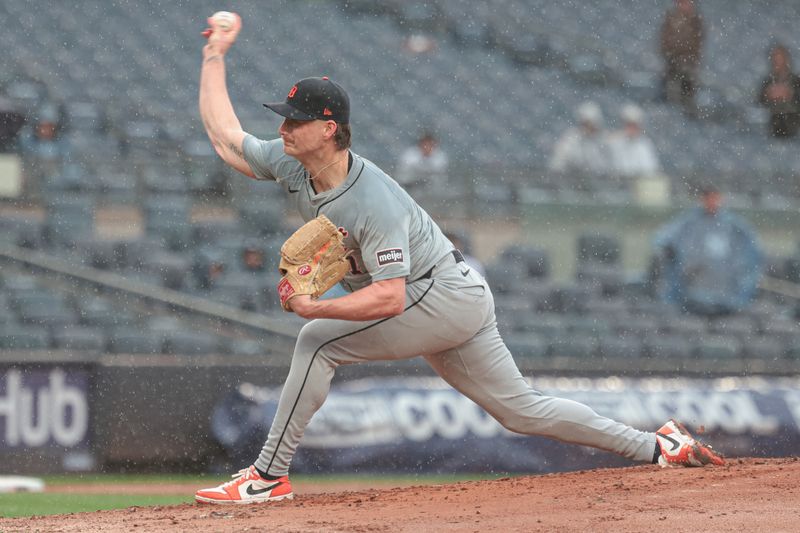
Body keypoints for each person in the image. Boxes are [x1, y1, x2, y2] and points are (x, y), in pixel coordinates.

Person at [194, 12, 724, 505]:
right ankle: (660, 447)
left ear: (329, 129)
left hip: (437, 293)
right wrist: (215, 54)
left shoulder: (369, 198)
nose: (283, 128)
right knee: (522, 410)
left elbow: (389, 295)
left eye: (295, 120)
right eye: (284, 120)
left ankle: (267, 477)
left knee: (317, 342)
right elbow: (225, 139)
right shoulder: (294, 165)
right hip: (452, 294)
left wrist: (316, 308)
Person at [652, 184, 763, 317]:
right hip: (691, 296)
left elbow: (751, 254)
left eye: (715, 198)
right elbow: (663, 240)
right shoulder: (687, 224)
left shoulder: (734, 226)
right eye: (708, 198)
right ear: (702, 199)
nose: (712, 202)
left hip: (727, 296)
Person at [659, 0, 704, 113]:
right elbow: (665, 42)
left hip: (688, 65)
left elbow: (696, 44)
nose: (683, 5)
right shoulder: (671, 19)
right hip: (673, 64)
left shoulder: (695, 21)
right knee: (670, 94)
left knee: (687, 95)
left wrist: (687, 58)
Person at [548, 101, 611, 177]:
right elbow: (557, 164)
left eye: (590, 123)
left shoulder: (605, 139)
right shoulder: (570, 138)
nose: (588, 127)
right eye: (585, 123)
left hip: (600, 182)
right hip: (573, 181)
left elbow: (611, 166)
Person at [608, 103, 662, 178]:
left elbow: (650, 170)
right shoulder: (615, 142)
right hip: (617, 183)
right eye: (629, 125)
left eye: (634, 125)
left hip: (638, 184)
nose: (632, 129)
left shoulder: (644, 146)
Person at [759, 44, 800, 138]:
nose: (778, 62)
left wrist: (790, 95)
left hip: (793, 127)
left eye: (780, 58)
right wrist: (768, 95)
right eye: (775, 59)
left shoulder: (795, 81)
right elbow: (759, 104)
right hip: (772, 129)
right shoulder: (768, 82)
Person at [394, 130, 449, 195]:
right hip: (411, 185)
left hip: (430, 187)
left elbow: (441, 176)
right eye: (425, 144)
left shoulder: (440, 157)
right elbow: (402, 173)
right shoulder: (410, 155)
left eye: (430, 145)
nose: (427, 147)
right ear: (420, 144)